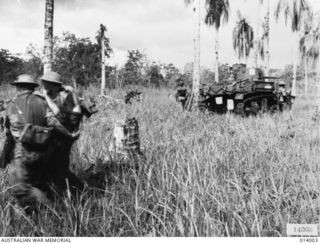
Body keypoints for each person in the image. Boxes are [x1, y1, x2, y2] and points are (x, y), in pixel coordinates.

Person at [3, 74, 78, 215]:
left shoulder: (11, 105)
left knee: (20, 188)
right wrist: (70, 134)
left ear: (18, 87)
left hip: (24, 150)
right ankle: (31, 214)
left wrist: (5, 154)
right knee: (38, 183)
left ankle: (57, 212)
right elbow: (54, 123)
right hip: (44, 149)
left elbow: (8, 133)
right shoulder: (42, 102)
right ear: (32, 88)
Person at [39, 71, 84, 196]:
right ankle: (74, 188)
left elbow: (59, 114)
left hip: (65, 136)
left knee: (60, 167)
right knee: (57, 166)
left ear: (53, 85)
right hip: (60, 134)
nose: (44, 86)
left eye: (46, 84)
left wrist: (47, 97)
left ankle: (73, 191)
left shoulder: (67, 95)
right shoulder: (59, 94)